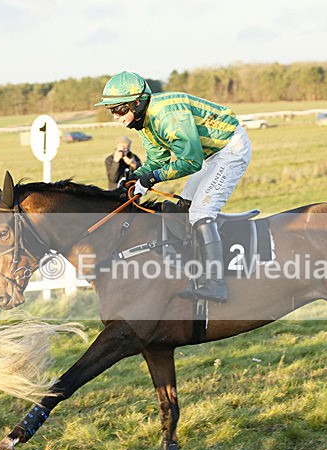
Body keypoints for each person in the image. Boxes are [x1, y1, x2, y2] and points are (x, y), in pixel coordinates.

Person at [95, 71, 252, 303]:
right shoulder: (145, 122)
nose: (116, 117)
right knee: (184, 206)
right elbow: (157, 160)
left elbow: (191, 161)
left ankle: (217, 284)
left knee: (200, 212)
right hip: (211, 155)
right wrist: (134, 176)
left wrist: (149, 180)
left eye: (119, 110)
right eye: (112, 111)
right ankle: (193, 269)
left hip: (229, 149)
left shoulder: (166, 115)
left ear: (136, 103)